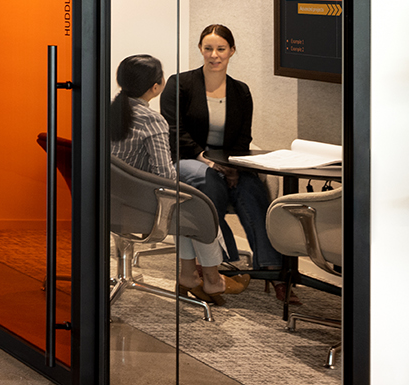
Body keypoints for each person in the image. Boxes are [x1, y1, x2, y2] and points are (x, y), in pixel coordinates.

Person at [161, 24, 283, 300]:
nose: (214, 55)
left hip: (228, 162)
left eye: (221, 49)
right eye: (208, 49)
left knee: (252, 191)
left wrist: (234, 168)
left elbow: (243, 137)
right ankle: (216, 266)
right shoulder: (180, 84)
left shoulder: (241, 92)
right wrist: (207, 159)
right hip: (188, 158)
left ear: (232, 51)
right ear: (200, 50)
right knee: (210, 180)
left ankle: (273, 270)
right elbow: (175, 132)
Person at [108, 54, 227, 304]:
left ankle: (190, 276)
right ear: (156, 86)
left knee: (188, 199)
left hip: (105, 201)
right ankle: (212, 279)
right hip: (137, 207)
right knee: (197, 209)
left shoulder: (104, 112)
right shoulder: (152, 120)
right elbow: (165, 176)